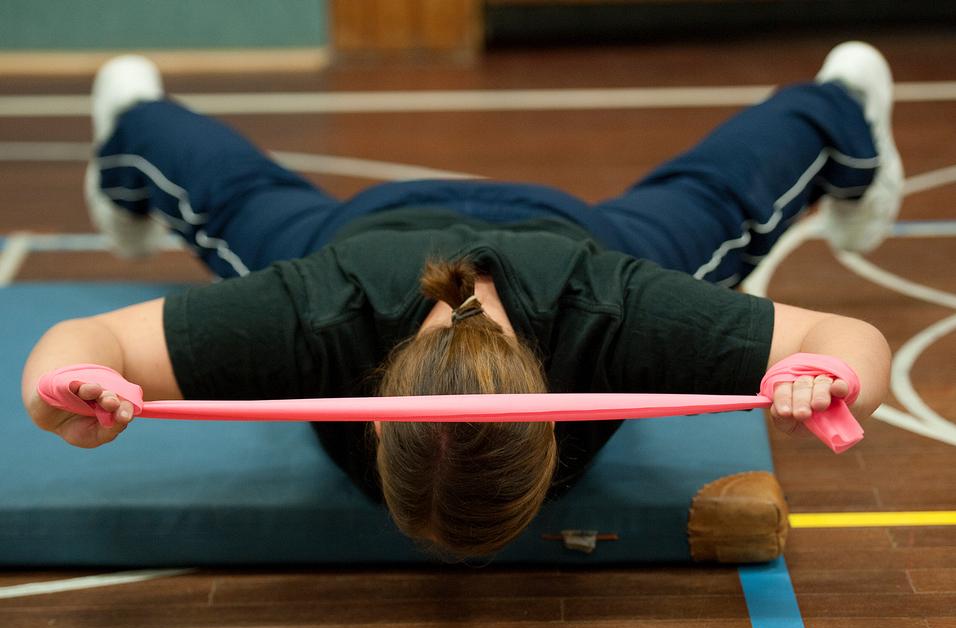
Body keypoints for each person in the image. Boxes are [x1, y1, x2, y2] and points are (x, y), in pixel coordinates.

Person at [22, 42, 897, 558]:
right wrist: (68, 383)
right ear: (370, 415)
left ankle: (845, 101)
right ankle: (130, 117)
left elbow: (843, 336)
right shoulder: (318, 318)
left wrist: (827, 368)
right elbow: (88, 338)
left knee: (720, 206)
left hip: (556, 247)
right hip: (383, 245)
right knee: (234, 205)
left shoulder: (618, 318)